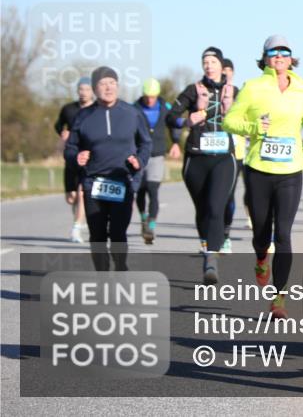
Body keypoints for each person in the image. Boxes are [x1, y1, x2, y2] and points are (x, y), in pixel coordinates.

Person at [223, 35, 303, 318]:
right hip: (259, 170)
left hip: (290, 169)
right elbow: (230, 120)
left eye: (284, 52)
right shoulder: (253, 87)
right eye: (273, 52)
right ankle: (261, 258)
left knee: (285, 234)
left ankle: (279, 299)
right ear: (265, 57)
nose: (279, 56)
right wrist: (254, 126)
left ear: (291, 57)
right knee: (262, 234)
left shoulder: (302, 87)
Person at [64, 66, 151, 271]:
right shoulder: (83, 116)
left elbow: (145, 143)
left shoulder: (132, 113)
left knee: (119, 232)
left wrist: (140, 160)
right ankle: (102, 275)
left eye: (112, 83)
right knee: (97, 234)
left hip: (122, 181)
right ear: (95, 88)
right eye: (103, 84)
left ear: (118, 86)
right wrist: (77, 157)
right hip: (93, 182)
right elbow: (70, 148)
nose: (108, 87)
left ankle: (121, 266)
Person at [167, 47, 239, 285]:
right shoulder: (192, 90)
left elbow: (252, 114)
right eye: (205, 62)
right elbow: (170, 117)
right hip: (196, 158)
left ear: (221, 65)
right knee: (202, 210)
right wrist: (186, 120)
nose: (208, 65)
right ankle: (207, 243)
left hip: (223, 158)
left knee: (216, 206)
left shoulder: (234, 92)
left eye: (212, 61)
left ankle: (211, 259)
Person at [134, 78, 182, 244]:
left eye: (153, 96)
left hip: (157, 154)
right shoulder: (135, 108)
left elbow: (175, 124)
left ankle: (151, 226)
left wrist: (175, 142)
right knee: (140, 191)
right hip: (139, 155)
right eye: (147, 96)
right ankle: (143, 217)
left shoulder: (165, 107)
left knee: (153, 190)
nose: (150, 99)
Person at [54, 76, 94, 243]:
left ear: (92, 91)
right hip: (71, 156)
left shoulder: (97, 110)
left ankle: (76, 227)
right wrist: (63, 134)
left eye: (86, 89)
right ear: (77, 90)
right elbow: (58, 125)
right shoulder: (68, 109)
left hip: (88, 157)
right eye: (81, 89)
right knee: (71, 197)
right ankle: (79, 216)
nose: (83, 93)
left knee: (82, 192)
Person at [222, 58, 245, 249]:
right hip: (211, 151)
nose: (226, 72)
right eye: (223, 69)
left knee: (228, 194)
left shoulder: (240, 94)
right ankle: (209, 236)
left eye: (229, 69)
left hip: (235, 151)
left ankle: (226, 233)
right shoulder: (208, 92)